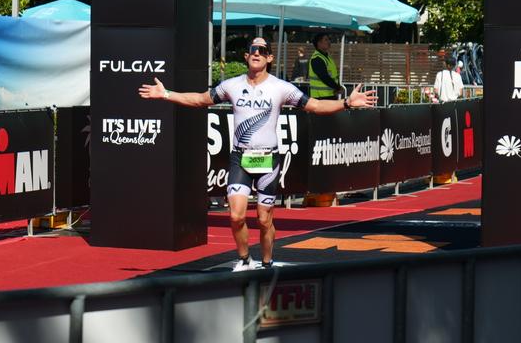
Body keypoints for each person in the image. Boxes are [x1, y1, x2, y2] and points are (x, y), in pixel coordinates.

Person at [138, 37, 375, 271]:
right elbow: (200, 100)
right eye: (253, 49)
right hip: (240, 158)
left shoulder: (280, 88)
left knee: (264, 219)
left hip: (268, 159)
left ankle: (267, 261)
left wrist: (346, 103)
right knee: (236, 216)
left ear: (270, 57)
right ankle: (243, 260)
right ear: (246, 55)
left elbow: (314, 106)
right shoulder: (231, 85)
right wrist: (166, 93)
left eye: (262, 50)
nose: (257, 53)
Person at [307, 33, 344, 100]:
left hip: (330, 95)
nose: (329, 42)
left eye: (329, 39)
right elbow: (324, 77)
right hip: (321, 97)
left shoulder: (327, 57)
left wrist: (337, 87)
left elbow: (334, 76)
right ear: (319, 43)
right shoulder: (317, 58)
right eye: (326, 40)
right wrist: (338, 87)